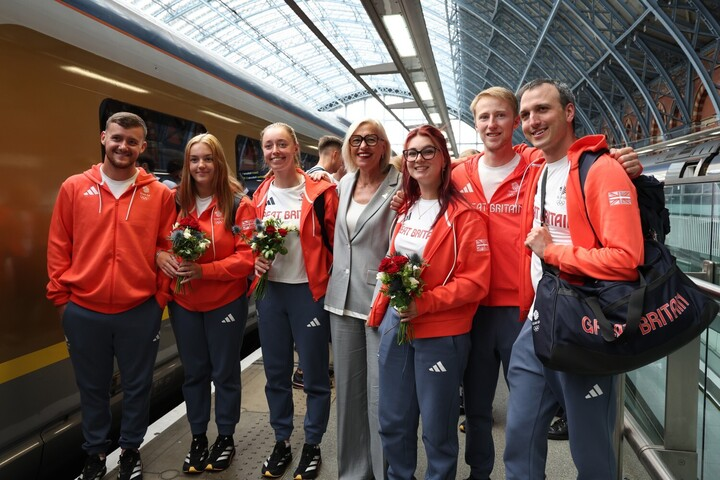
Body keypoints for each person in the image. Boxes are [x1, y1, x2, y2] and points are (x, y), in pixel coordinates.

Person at [503, 79, 644, 479]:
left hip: (586, 328)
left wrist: (554, 254)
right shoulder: (538, 169)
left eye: (543, 110)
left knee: (591, 449)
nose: (533, 120)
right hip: (538, 323)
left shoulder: (602, 171)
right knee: (520, 437)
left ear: (568, 112)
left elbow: (626, 258)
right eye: (527, 114)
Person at [46, 112, 176, 480]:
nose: (123, 146)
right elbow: (59, 246)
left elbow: (167, 246)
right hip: (84, 309)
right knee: (92, 388)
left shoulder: (159, 194)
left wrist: (159, 298)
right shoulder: (74, 187)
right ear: (104, 137)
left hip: (140, 308)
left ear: (143, 147)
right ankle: (95, 454)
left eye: (132, 141)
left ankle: (131, 450)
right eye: (117, 138)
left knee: (138, 385)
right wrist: (62, 301)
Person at [367, 125, 491, 480]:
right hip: (398, 323)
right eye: (411, 153)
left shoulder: (464, 217)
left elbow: (476, 282)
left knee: (437, 429)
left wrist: (428, 303)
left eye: (427, 152)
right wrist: (382, 311)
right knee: (393, 420)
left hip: (441, 332)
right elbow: (390, 263)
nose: (418, 159)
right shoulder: (404, 210)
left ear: (443, 159)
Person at [155, 134, 255, 473]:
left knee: (225, 373)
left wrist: (203, 270)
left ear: (219, 163)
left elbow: (248, 259)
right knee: (195, 373)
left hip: (225, 302)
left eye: (208, 159)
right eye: (194, 159)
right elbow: (154, 241)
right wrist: (161, 255)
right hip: (184, 304)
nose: (201, 166)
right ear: (187, 165)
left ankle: (225, 437)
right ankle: (198, 437)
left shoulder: (240, 204)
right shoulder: (173, 201)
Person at [252, 122, 338, 479]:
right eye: (269, 145)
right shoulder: (261, 193)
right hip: (271, 293)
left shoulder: (320, 192)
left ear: (295, 149)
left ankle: (313, 443)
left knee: (315, 375)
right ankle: (282, 440)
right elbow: (250, 241)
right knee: (275, 373)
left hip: (308, 292)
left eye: (281, 144)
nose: (275, 151)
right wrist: (253, 259)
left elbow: (337, 243)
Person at [322, 118, 401, 480]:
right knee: (350, 395)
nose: (363, 146)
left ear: (384, 146)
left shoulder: (401, 185)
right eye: (356, 140)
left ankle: (386, 471)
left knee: (380, 396)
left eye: (371, 139)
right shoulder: (343, 183)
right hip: (340, 300)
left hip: (379, 302)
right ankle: (354, 473)